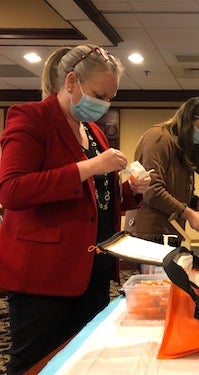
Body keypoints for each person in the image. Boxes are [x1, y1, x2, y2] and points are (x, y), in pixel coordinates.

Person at [0, 44, 151, 375]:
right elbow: (12, 191)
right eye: (99, 94)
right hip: (45, 273)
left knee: (82, 359)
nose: (104, 105)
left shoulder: (94, 132)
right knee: (35, 362)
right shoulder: (30, 117)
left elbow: (96, 200)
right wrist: (91, 166)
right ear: (71, 82)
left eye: (111, 98)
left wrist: (130, 191)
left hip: (92, 268)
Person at [125, 97, 199, 260]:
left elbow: (176, 189)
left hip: (169, 233)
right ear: (188, 119)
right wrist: (187, 212)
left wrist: (196, 202)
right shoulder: (159, 138)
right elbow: (152, 190)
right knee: (154, 285)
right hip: (150, 234)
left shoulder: (181, 145)